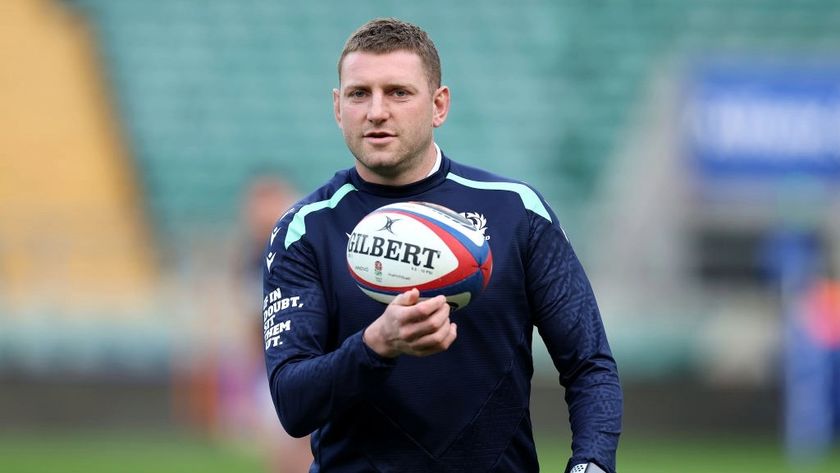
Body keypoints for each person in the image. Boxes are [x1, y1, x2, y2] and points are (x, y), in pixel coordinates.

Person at [262, 18, 622, 473]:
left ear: (439, 105)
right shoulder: (305, 230)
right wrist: (375, 345)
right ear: (338, 107)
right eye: (359, 94)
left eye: (398, 92)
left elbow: (589, 365)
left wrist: (591, 464)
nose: (376, 111)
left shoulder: (517, 212)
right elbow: (292, 403)